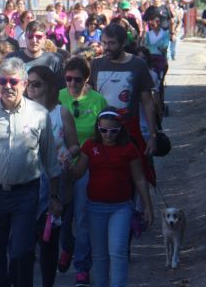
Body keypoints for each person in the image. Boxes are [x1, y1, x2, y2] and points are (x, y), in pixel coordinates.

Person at [0, 57, 63, 287]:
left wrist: (55, 197)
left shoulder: (39, 114)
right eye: (3, 80)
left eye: (13, 81)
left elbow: (50, 159)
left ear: (25, 84)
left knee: (21, 252)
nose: (7, 86)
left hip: (26, 194)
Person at [67, 109, 154, 287]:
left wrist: (148, 207)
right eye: (104, 130)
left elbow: (139, 179)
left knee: (118, 251)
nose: (108, 135)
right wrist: (67, 166)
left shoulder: (129, 148)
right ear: (97, 127)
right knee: (99, 255)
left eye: (113, 131)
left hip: (121, 207)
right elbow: (78, 173)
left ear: (121, 129)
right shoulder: (90, 146)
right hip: (95, 207)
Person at [25, 66, 79, 287]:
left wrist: (68, 153)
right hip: (25, 185)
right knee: (23, 245)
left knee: (48, 241)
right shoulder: (21, 110)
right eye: (27, 83)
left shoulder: (60, 112)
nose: (30, 88)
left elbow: (75, 145)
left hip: (54, 184)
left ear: (48, 86)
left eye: (36, 84)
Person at [57, 56, 108, 286]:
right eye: (68, 79)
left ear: (86, 79)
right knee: (60, 216)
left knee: (82, 217)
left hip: (85, 165)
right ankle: (67, 247)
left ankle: (82, 267)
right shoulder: (58, 97)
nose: (72, 84)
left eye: (77, 79)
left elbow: (106, 134)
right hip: (59, 164)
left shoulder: (98, 101)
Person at [90, 24, 158, 186]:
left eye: (112, 43)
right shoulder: (96, 64)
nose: (106, 47)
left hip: (129, 132)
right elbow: (91, 97)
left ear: (122, 43)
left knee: (134, 178)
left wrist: (152, 136)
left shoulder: (138, 65)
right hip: (102, 132)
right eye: (104, 42)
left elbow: (148, 103)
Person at [7, 21, 66, 92]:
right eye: (30, 36)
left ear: (45, 38)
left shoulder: (54, 60)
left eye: (39, 37)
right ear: (25, 37)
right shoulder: (11, 59)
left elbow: (61, 89)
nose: (34, 40)